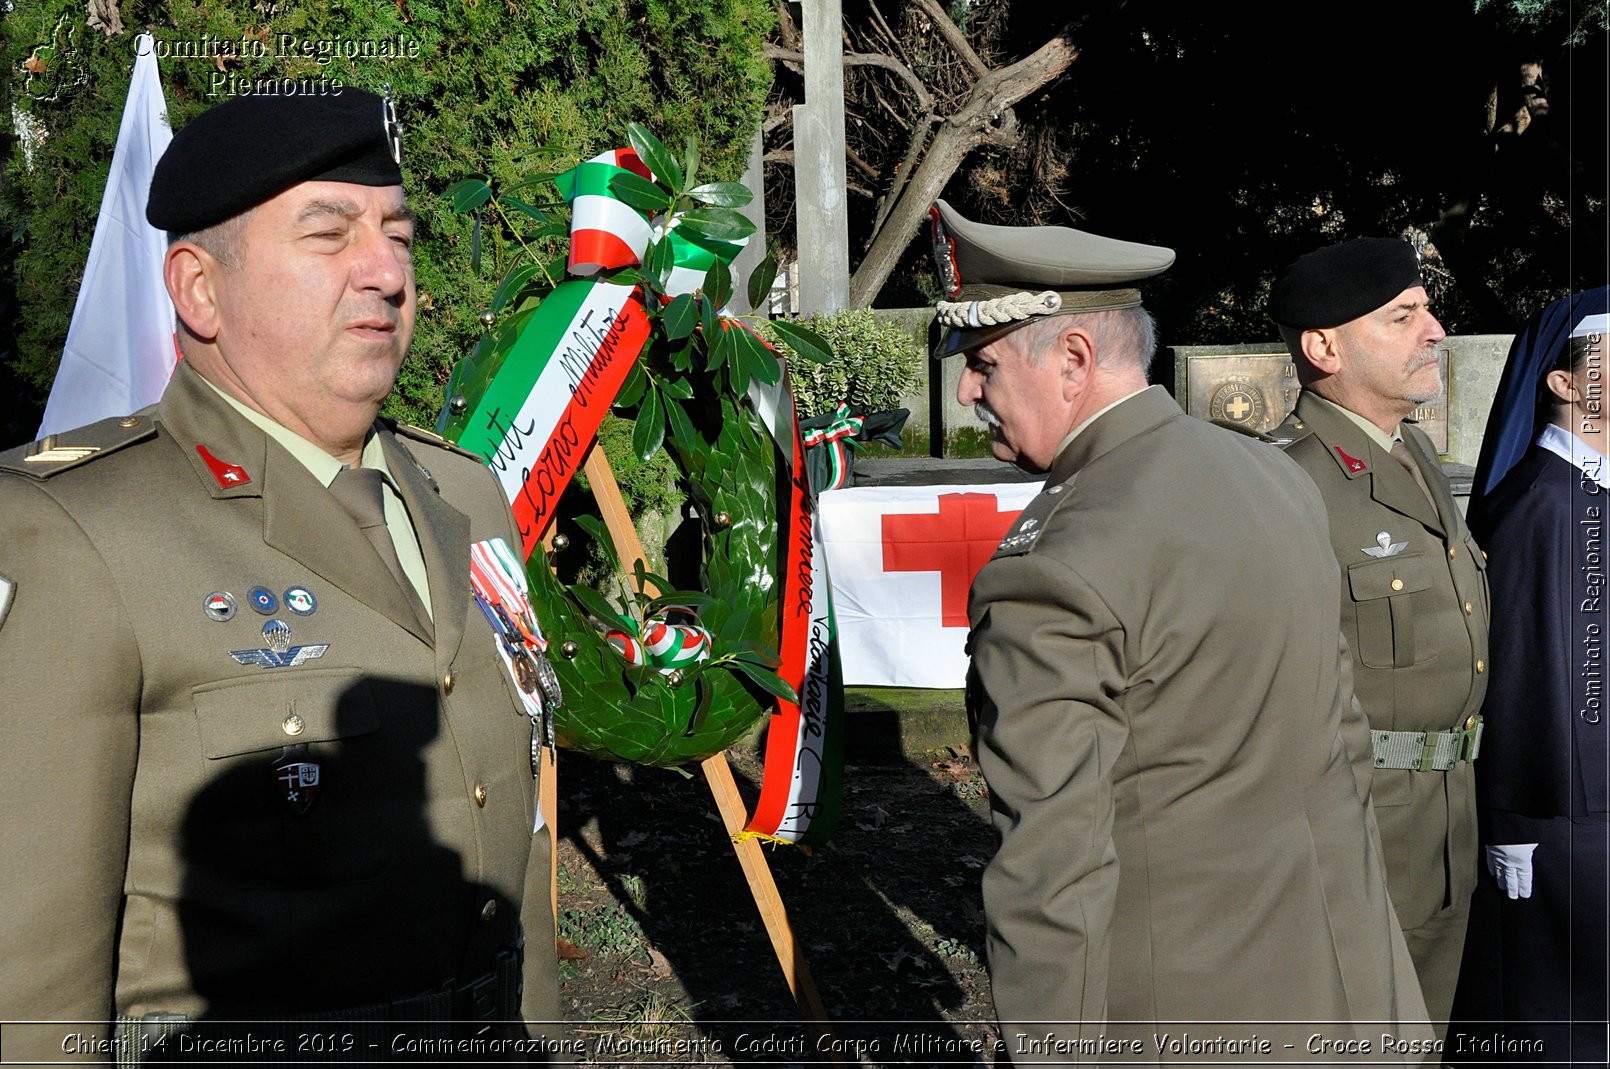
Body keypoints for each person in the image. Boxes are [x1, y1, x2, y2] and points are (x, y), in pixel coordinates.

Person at [0, 89, 564, 1061]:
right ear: (200, 290)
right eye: (328, 233)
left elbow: (520, 848)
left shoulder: (465, 495)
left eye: (397, 232)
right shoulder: (71, 528)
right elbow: (34, 995)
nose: (386, 270)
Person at [934, 199, 1431, 1059]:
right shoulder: (1271, 475)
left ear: (1075, 358)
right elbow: (1339, 742)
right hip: (1353, 991)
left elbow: (1051, 874)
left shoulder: (1051, 568)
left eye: (982, 362)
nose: (968, 391)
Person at [1267, 237, 1491, 1035]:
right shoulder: (1288, 482)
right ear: (1324, 347)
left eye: (1427, 310)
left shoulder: (1413, 452)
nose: (1435, 330)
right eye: (1403, 317)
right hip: (1353, 838)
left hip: (1445, 827)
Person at [1450, 289, 1608, 1065]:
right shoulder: (1544, 506)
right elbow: (1511, 686)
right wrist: (1512, 834)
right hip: (1564, 833)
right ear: (1566, 383)